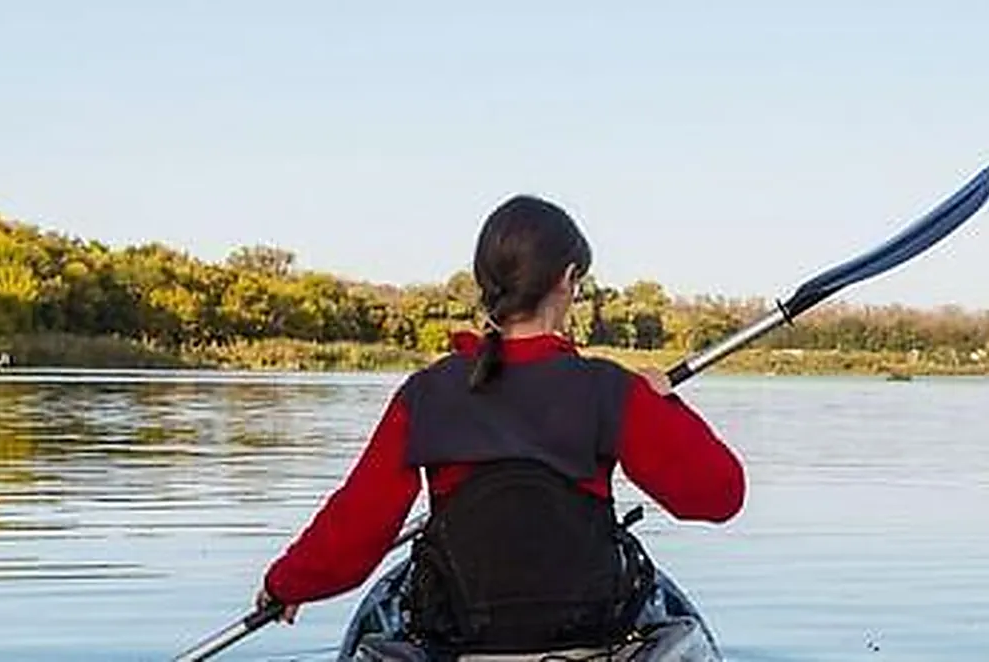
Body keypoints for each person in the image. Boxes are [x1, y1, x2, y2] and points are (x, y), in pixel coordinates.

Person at [255, 194, 746, 654]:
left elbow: (357, 527)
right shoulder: (610, 389)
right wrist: (663, 403)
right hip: (588, 631)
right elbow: (720, 495)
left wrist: (287, 584)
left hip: (463, 636)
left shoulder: (426, 394)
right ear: (567, 279)